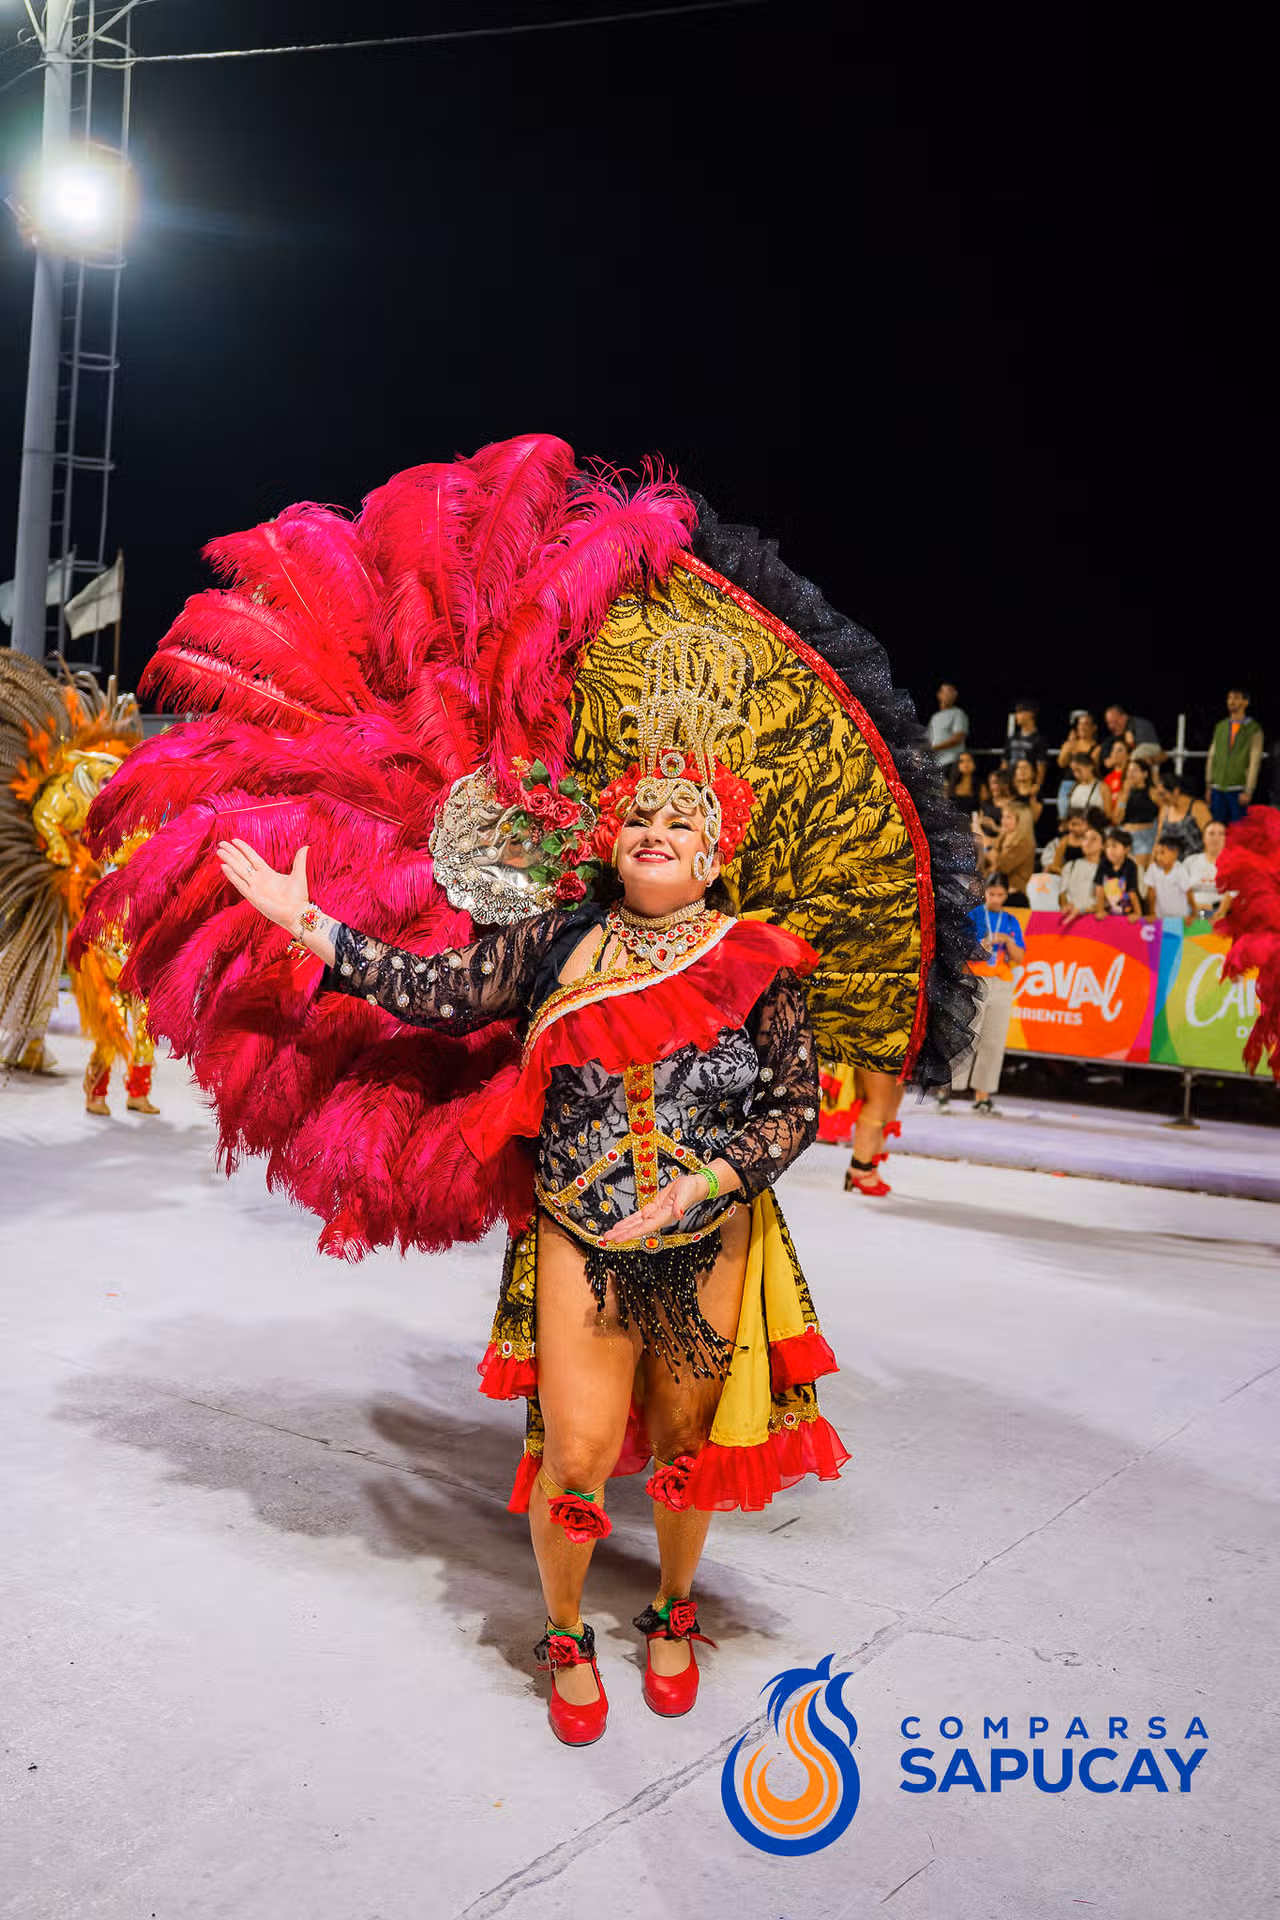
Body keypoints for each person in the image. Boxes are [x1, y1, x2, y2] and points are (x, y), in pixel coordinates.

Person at [77, 434, 977, 1751]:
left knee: (682, 1449)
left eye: (683, 822)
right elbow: (426, 989)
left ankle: (672, 1610)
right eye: (640, 819)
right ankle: (563, 1635)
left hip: (706, 1230)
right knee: (572, 1455)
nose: (658, 832)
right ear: (610, 838)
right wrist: (306, 923)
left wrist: (716, 1178)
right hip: (579, 1230)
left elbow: (792, 1108)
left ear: (717, 848)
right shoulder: (554, 941)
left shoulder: (759, 963)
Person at [939, 872, 1024, 1114]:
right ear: (984, 892)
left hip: (1001, 982)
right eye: (992, 893)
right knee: (966, 1037)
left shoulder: (1010, 921)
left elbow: (1020, 957)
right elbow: (957, 951)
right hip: (975, 980)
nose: (996, 898)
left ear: (1006, 895)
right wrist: (980, 947)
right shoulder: (973, 917)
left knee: (993, 1041)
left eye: (1000, 894)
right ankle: (946, 1093)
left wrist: (1007, 940)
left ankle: (982, 1096)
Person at [1205, 688, 1264, 825]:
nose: (1231, 701)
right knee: (1216, 825)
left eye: (1236, 698)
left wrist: (1249, 790)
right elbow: (1212, 755)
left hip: (1237, 787)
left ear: (1245, 702)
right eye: (1229, 698)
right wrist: (1209, 784)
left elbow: (1254, 760)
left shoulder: (1253, 728)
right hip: (1217, 786)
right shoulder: (1221, 726)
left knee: (1239, 828)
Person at [984, 797, 1036, 901]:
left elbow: (1002, 867)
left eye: (1008, 817)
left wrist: (988, 846)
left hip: (1013, 896)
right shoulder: (1003, 837)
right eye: (1003, 817)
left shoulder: (1024, 843)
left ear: (1021, 821)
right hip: (994, 891)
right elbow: (990, 864)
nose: (1003, 821)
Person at [1113, 756, 1160, 865]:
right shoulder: (1123, 793)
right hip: (1125, 835)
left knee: (1139, 872)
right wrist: (1125, 794)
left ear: (1145, 774)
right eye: (1129, 771)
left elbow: (1165, 811)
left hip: (1145, 835)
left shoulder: (1152, 792)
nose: (1131, 774)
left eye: (1135, 770)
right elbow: (1117, 819)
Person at [1155, 768, 1211, 856]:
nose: (1160, 799)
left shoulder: (1197, 807)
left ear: (1176, 791)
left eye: (1163, 794)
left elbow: (1210, 838)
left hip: (1194, 863)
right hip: (1170, 865)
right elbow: (1158, 840)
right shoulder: (1165, 809)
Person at [1183, 819, 1229, 920]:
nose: (1215, 838)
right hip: (1191, 911)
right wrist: (1197, 906)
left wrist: (1216, 909)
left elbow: (1233, 896)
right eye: (1211, 833)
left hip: (1221, 913)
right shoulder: (1191, 861)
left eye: (1221, 834)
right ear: (1204, 838)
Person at [1059, 824, 1104, 926]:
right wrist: (1066, 906)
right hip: (1070, 921)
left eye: (1093, 839)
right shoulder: (1070, 866)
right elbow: (1062, 893)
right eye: (1085, 838)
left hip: (1096, 922)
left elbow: (1109, 902)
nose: (1088, 843)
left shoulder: (1108, 870)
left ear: (1103, 845)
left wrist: (1084, 910)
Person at [1095, 828, 1142, 919]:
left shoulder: (1130, 866)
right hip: (1110, 910)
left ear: (1127, 849)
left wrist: (1137, 913)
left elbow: (1131, 891)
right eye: (1107, 846)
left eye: (1114, 846)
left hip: (1128, 911)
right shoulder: (1103, 863)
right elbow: (1099, 888)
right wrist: (1100, 910)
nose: (1110, 850)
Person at [1144, 835, 1194, 920]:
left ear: (1175, 853)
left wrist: (1193, 913)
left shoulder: (1180, 870)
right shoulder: (1153, 868)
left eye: (1162, 853)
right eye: (1156, 853)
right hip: (1160, 917)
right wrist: (1152, 913)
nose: (1158, 857)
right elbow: (1151, 893)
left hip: (1179, 917)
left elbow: (1188, 893)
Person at [1006, 699, 1048, 790]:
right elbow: (1005, 762)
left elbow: (1041, 766)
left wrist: (1037, 786)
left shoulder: (1039, 740)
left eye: (1020, 712)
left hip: (1027, 784)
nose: (1017, 716)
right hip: (1012, 783)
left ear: (1030, 714)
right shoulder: (1012, 738)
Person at [1011, 757, 1053, 847]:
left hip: (1031, 835)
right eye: (1019, 768)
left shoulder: (1037, 795)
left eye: (1026, 768)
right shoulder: (1009, 792)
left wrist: (1032, 796)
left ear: (1034, 773)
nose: (1022, 771)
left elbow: (1034, 818)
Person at [927, 682, 969, 767]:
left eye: (951, 692)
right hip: (936, 764)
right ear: (939, 695)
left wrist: (934, 748)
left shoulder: (958, 713)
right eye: (945, 692)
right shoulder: (935, 717)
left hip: (953, 762)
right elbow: (929, 739)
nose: (948, 695)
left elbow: (958, 737)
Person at [1066, 750, 1113, 821]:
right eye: (1073, 771)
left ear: (1090, 767)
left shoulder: (1103, 788)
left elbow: (1108, 815)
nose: (1076, 775)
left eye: (1079, 770)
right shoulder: (1074, 787)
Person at [946, 749, 985, 813]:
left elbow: (984, 809)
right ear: (957, 765)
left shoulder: (981, 786)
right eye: (961, 761)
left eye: (969, 760)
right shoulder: (950, 786)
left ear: (974, 764)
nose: (966, 764)